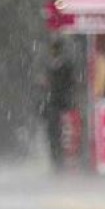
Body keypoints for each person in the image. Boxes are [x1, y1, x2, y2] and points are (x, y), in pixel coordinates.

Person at [42, 39, 76, 171]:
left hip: (61, 104)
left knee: (60, 135)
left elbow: (68, 84)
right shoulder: (54, 66)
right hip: (58, 104)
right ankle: (57, 162)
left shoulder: (64, 66)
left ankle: (59, 162)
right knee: (56, 135)